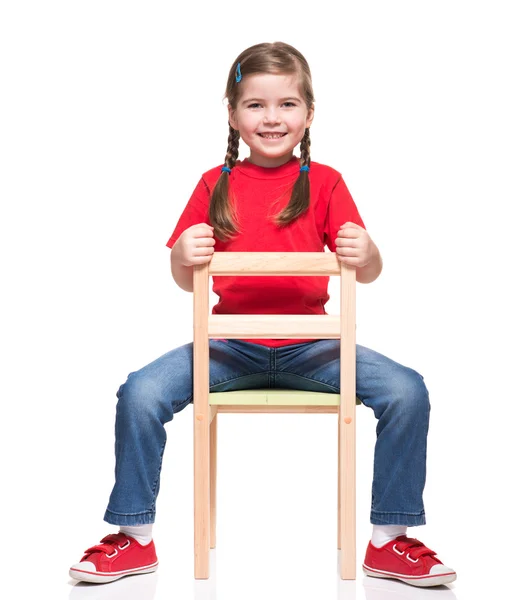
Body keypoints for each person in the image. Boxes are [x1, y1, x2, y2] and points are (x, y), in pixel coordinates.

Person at [69, 41, 456, 587]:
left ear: (309, 113)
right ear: (232, 114)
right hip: (228, 347)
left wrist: (366, 251)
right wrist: (182, 256)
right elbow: (185, 278)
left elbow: (367, 269)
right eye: (255, 105)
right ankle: (134, 538)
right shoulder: (215, 183)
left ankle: (391, 539)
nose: (271, 118)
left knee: (407, 389)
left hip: (314, 348)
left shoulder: (324, 182)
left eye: (287, 104)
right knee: (140, 391)